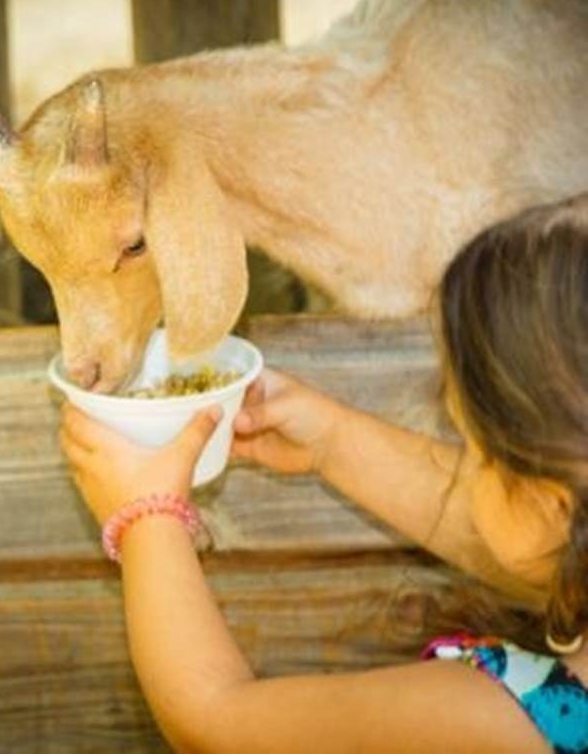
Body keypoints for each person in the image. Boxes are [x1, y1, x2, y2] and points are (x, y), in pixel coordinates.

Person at [59, 194, 588, 753]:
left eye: (472, 448)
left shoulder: (510, 724)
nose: (464, 469)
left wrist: (146, 518)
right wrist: (332, 442)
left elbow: (213, 722)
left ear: (551, 502)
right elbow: (543, 537)